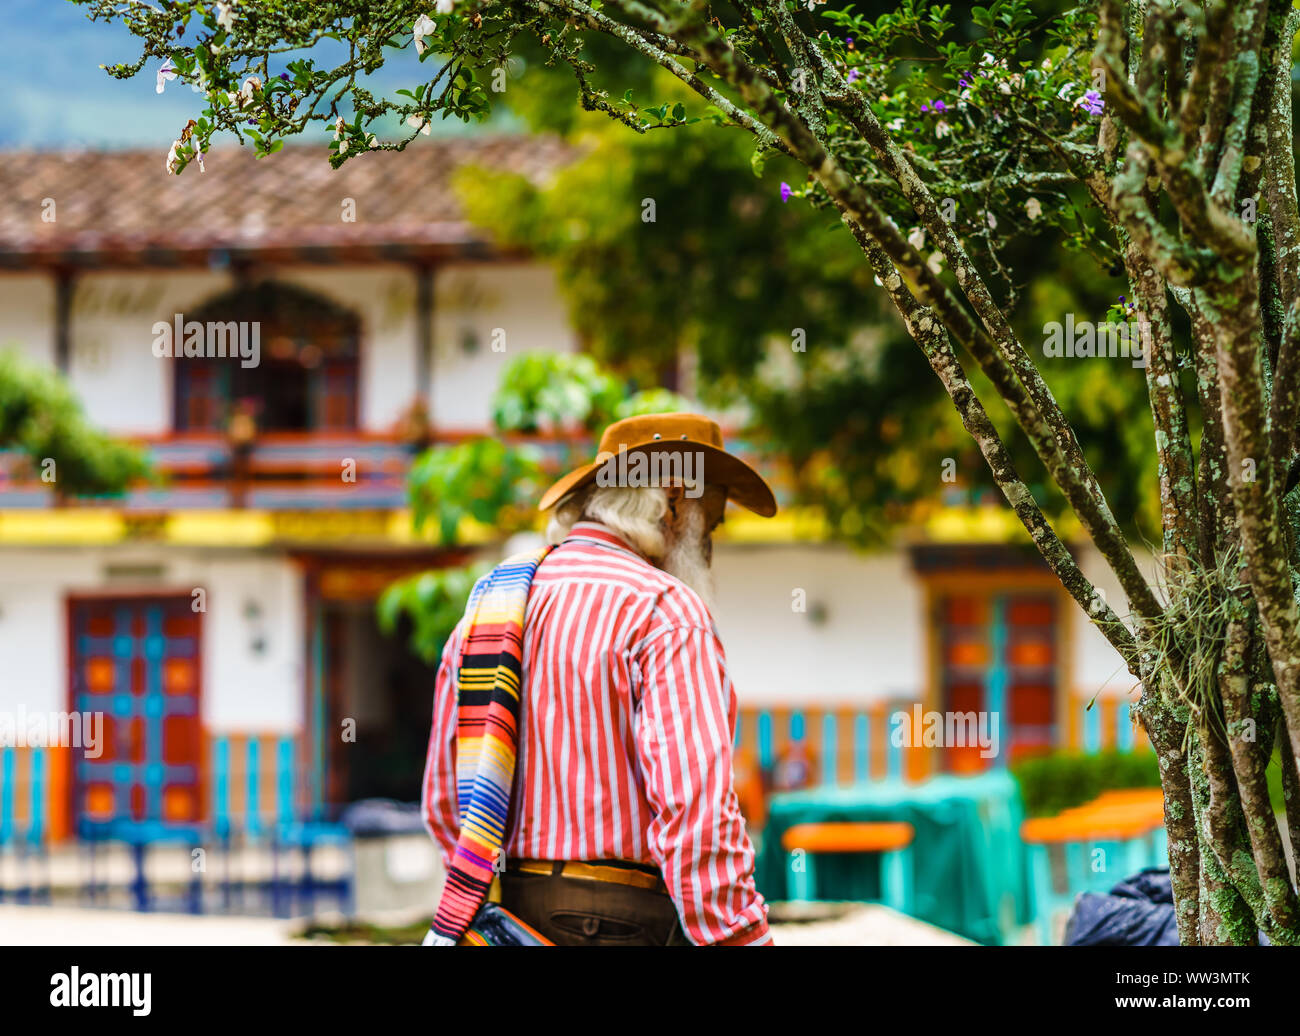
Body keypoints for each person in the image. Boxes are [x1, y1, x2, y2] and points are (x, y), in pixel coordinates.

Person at [422, 412, 776, 945]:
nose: (710, 542)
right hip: (626, 921)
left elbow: (445, 803)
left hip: (508, 918)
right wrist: (740, 937)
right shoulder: (663, 608)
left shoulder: (490, 604)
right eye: (713, 520)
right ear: (676, 499)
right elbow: (695, 815)